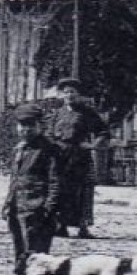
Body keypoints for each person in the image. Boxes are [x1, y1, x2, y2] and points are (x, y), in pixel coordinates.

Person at [4, 103, 63, 275]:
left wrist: (48, 209)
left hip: (38, 213)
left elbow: (56, 182)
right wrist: (8, 203)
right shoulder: (19, 149)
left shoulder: (49, 150)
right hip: (18, 212)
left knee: (37, 268)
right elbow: (15, 180)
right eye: (22, 125)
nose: (25, 129)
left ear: (40, 126)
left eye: (30, 125)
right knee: (21, 262)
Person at [51, 78, 109, 239]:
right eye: (66, 92)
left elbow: (103, 131)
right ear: (62, 95)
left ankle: (83, 227)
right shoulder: (57, 114)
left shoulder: (87, 113)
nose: (69, 95)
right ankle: (61, 225)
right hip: (61, 157)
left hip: (80, 158)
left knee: (82, 192)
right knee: (61, 192)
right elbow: (50, 135)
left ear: (79, 95)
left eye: (73, 92)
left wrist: (92, 145)